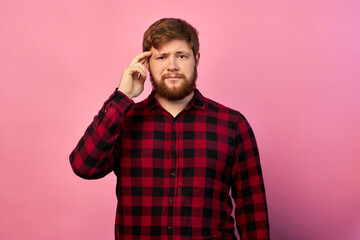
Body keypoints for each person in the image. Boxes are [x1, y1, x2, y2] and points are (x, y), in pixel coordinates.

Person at [70, 18, 269, 240]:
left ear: (196, 59)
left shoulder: (232, 125)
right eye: (162, 57)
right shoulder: (124, 121)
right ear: (146, 63)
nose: (172, 65)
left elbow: (252, 209)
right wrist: (122, 96)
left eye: (181, 56)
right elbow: (83, 166)